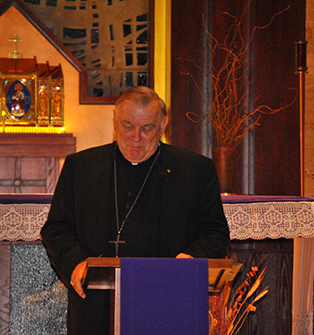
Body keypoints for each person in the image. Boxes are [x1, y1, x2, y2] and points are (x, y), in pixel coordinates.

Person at [41, 86, 230, 334]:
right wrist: (76, 263)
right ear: (115, 122)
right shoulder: (81, 167)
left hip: (169, 299)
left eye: (147, 128)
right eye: (128, 126)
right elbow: (57, 228)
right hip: (96, 305)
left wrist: (190, 260)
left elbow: (215, 232)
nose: (136, 137)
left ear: (163, 124)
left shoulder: (194, 170)